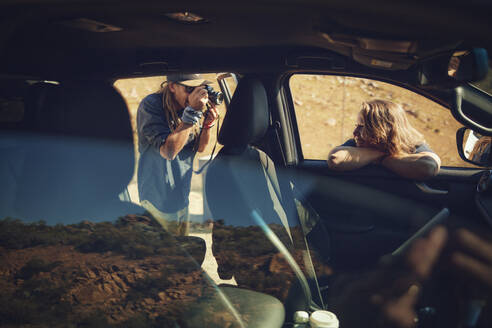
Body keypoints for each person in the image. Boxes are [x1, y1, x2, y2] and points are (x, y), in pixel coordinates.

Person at [136, 73, 219, 236]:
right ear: (172, 86)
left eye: (198, 89)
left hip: (181, 196)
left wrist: (207, 124)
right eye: (189, 89)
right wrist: (192, 113)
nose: (194, 95)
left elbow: (201, 147)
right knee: (164, 258)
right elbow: (168, 151)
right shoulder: (151, 106)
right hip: (157, 199)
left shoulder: (188, 109)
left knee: (183, 257)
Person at [327, 100, 441, 180]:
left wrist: (383, 159)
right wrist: (381, 153)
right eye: (357, 125)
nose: (355, 132)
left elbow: (428, 167)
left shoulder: (413, 146)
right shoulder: (358, 143)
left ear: (382, 129)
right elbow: (335, 159)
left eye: (362, 126)